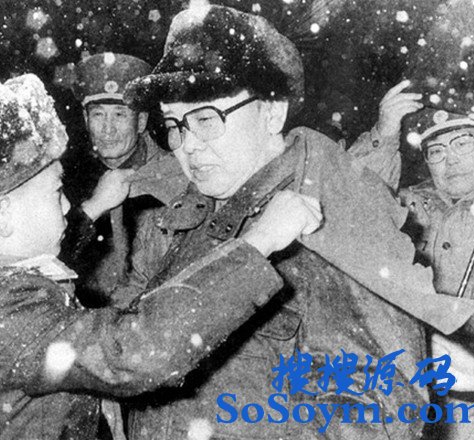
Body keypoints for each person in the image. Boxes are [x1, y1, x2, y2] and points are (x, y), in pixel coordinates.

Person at [0, 73, 318, 439]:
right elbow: (136, 350)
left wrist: (95, 208)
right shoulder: (2, 309)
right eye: (56, 193)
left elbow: (39, 260)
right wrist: (258, 242)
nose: (67, 205)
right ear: (4, 216)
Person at [120, 5, 447, 439]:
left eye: (206, 119)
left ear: (272, 113)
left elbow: (382, 413)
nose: (188, 145)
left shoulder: (330, 216)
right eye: (175, 125)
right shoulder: (189, 218)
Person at [350, 84, 474, 439]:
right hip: (415, 392)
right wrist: (385, 133)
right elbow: (351, 197)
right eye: (436, 151)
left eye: (463, 144)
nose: (450, 160)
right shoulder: (411, 203)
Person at [59, 53, 187, 300]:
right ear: (86, 119)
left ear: (141, 122)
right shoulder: (68, 184)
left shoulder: (176, 179)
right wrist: (89, 210)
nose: (107, 129)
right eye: (98, 115)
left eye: (120, 114)